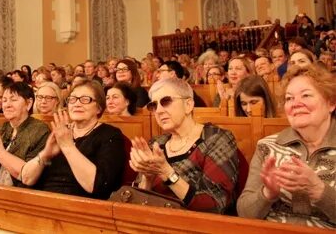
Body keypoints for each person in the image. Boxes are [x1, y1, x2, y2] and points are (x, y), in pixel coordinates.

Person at [237, 64, 335, 228]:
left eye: (306, 95)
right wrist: (268, 193)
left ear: (331, 103)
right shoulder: (267, 146)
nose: (296, 103)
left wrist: (319, 191)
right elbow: (244, 213)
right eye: (289, 98)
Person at [129, 78, 239, 214]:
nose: (158, 111)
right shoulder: (156, 144)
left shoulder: (216, 138)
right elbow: (138, 204)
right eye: (154, 105)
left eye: (166, 101)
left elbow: (216, 204)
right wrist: (147, 178)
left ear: (188, 105)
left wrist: (167, 173)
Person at [20, 81, 125, 199]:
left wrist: (67, 146)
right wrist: (46, 154)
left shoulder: (110, 135)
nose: (77, 104)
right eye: (73, 99)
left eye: (85, 99)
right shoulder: (61, 132)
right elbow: (26, 179)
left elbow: (96, 186)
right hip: (44, 200)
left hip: (81, 206)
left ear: (99, 108)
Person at [0, 82, 50, 186]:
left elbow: (27, 175)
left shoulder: (40, 130)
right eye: (4, 100)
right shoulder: (1, 129)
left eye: (13, 100)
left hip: (20, 196)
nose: (7, 105)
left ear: (29, 103)